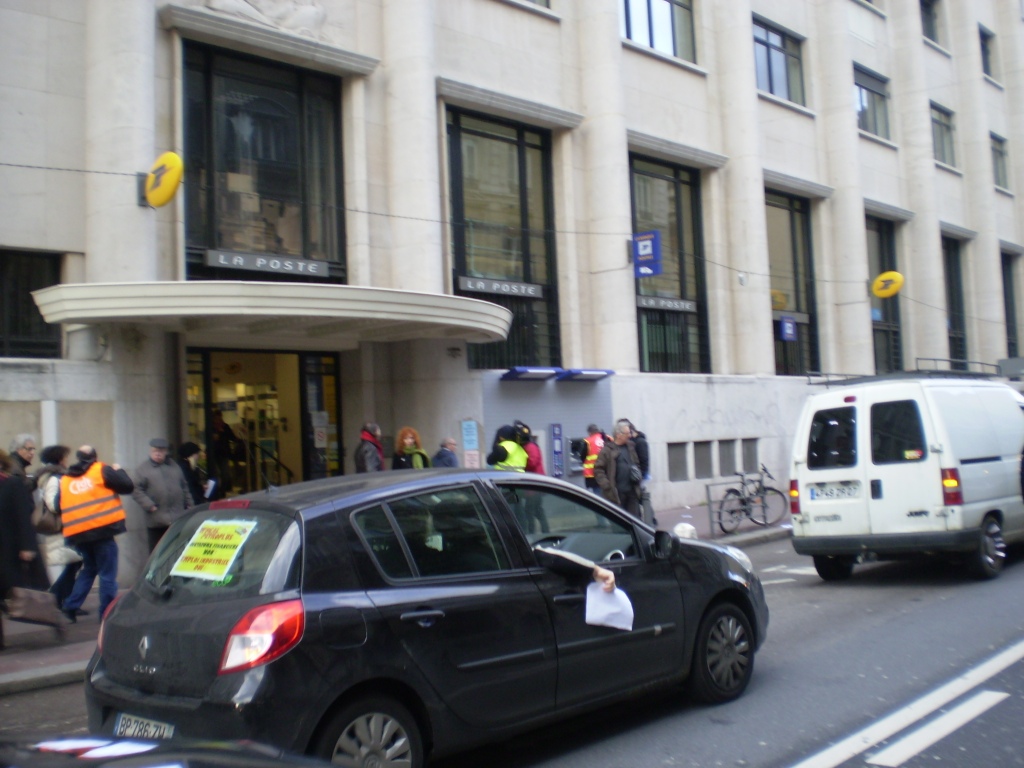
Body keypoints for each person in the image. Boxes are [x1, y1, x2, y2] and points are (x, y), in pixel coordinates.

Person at [57, 445, 134, 622]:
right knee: (107, 574)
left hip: (78, 534)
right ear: (95, 457)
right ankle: (106, 613)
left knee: (89, 569)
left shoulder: (66, 479)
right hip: (102, 531)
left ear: (78, 458)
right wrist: (119, 470)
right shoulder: (101, 470)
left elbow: (57, 503)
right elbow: (127, 486)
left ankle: (70, 606)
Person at [0, 448, 55, 648]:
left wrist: (27, 547)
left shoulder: (12, 484)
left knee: (25, 594)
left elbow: (24, 518)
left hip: (10, 551)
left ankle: (54, 620)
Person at [35, 445, 84, 614]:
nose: (67, 460)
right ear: (59, 459)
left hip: (68, 526)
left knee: (75, 563)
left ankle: (63, 599)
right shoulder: (54, 479)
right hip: (63, 527)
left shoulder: (58, 476)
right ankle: (57, 598)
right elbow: (53, 504)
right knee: (75, 562)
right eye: (65, 456)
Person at [132, 438, 194, 553]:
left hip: (177, 519)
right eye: (155, 451)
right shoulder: (143, 469)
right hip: (156, 519)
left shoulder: (174, 467)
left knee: (176, 551)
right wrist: (149, 505)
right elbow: (135, 489)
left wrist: (190, 503)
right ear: (151, 451)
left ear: (166, 452)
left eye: (161, 451)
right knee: (157, 552)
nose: (158, 454)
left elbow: (184, 486)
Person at [593, 421, 642, 519]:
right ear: (619, 435)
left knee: (635, 521)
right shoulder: (607, 450)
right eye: (627, 433)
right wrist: (607, 486)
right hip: (616, 495)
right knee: (620, 522)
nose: (630, 435)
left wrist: (637, 473)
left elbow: (636, 463)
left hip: (632, 492)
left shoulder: (631, 447)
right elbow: (598, 470)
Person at [621, 418, 656, 526]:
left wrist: (640, 476)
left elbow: (644, 460)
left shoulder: (640, 442)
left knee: (641, 497)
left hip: (639, 475)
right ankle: (647, 519)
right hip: (636, 475)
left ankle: (651, 520)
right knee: (639, 498)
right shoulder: (633, 442)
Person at [178, 442, 209, 508]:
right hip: (192, 503)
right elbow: (189, 486)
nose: (198, 456)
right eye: (197, 454)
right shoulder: (185, 468)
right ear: (191, 454)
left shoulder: (190, 467)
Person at [580, 424, 605, 495]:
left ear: (590, 432)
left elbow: (582, 457)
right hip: (606, 473)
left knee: (597, 497)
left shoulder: (588, 441)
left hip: (593, 474)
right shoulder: (606, 438)